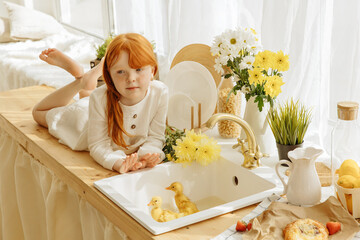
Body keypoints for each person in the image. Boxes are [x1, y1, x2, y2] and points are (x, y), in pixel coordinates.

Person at [32, 33, 168, 174]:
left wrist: (147, 157)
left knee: (90, 96)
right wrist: (117, 163)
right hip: (82, 122)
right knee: (38, 112)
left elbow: (156, 137)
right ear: (110, 75)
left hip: (97, 103)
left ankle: (87, 82)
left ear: (152, 71)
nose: (131, 78)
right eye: (121, 72)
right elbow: (98, 145)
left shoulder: (160, 92)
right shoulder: (100, 98)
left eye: (138, 69)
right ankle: (80, 82)